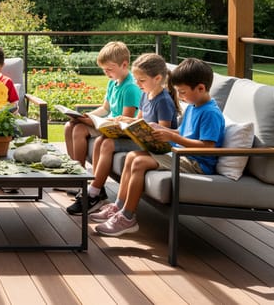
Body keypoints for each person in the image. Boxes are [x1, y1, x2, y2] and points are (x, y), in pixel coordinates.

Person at [93, 57, 225, 236]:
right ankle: (118, 207)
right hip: (180, 154)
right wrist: (159, 128)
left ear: (201, 88)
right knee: (132, 157)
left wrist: (170, 135)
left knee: (139, 163)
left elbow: (207, 147)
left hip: (196, 163)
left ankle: (127, 217)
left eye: (182, 92)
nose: (179, 96)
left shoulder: (209, 112)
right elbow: (183, 132)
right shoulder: (194, 106)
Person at [66, 53, 180, 215]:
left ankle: (93, 194)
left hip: (155, 146)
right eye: (136, 79)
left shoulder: (163, 101)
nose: (137, 83)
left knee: (107, 143)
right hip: (140, 138)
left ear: (157, 78)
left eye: (141, 80)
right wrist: (124, 120)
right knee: (101, 141)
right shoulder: (145, 94)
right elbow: (140, 119)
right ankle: (96, 190)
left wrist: (133, 127)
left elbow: (162, 134)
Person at [64, 41, 142, 168]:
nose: (106, 73)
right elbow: (105, 108)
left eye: (109, 69)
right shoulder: (113, 82)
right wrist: (87, 115)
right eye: (104, 70)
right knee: (69, 125)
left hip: (116, 129)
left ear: (124, 65)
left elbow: (123, 121)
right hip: (106, 123)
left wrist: (92, 121)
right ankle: (73, 169)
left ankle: (80, 173)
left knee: (78, 129)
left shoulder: (131, 88)